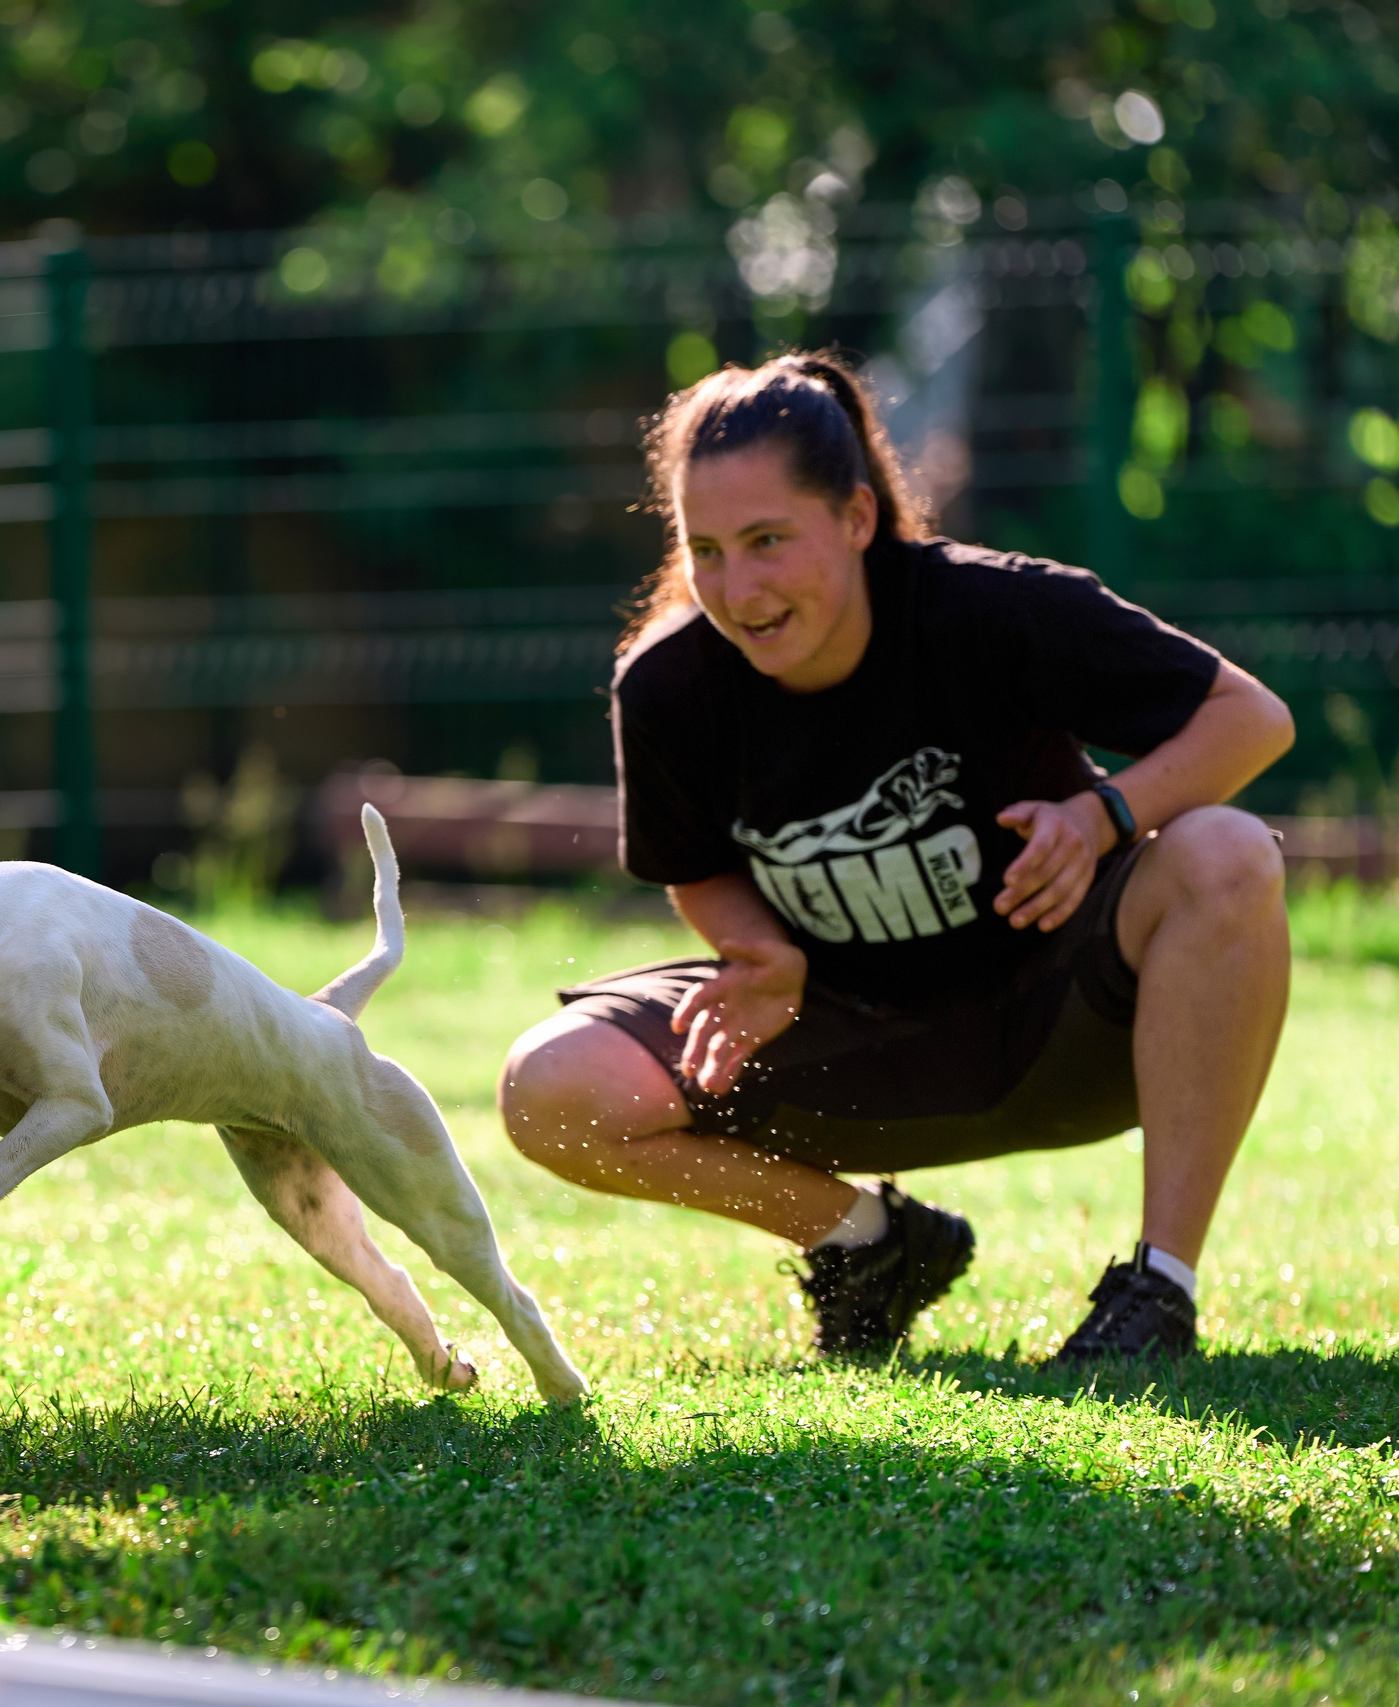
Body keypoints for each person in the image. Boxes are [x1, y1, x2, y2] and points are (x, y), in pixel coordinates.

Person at [499, 352, 1295, 1361]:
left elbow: (1251, 719)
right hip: (848, 1053)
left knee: (1224, 850)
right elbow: (692, 865)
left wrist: (1102, 815)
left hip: (1066, 1032)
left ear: (857, 519)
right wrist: (756, 952)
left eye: (768, 541)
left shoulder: (991, 611)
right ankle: (869, 1244)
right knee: (550, 1090)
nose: (737, 589)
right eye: (706, 549)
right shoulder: (667, 686)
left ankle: (1158, 1292)